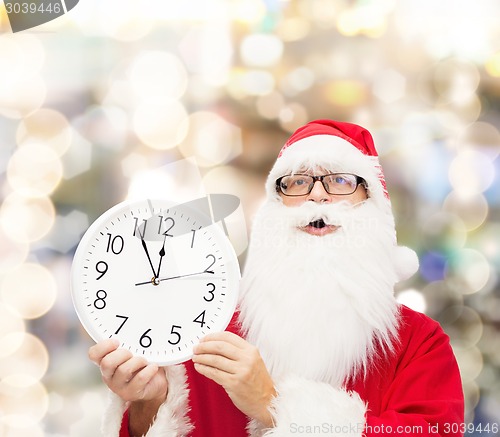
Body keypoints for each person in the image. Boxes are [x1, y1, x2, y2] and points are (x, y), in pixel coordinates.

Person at [89, 120, 464, 436]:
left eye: (340, 180)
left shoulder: (420, 345)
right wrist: (149, 404)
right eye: (297, 182)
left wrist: (273, 406)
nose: (318, 197)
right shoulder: (207, 331)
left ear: (373, 207)